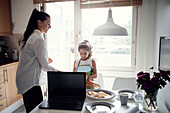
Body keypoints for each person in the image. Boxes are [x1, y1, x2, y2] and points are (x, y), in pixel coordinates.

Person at [16, 9, 59, 113]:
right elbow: (45, 66)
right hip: (31, 83)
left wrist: (44, 59)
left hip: (25, 81)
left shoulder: (28, 37)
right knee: (36, 111)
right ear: (39, 22)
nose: (50, 27)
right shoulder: (38, 39)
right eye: (48, 24)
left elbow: (30, 58)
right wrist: (58, 72)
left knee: (30, 109)